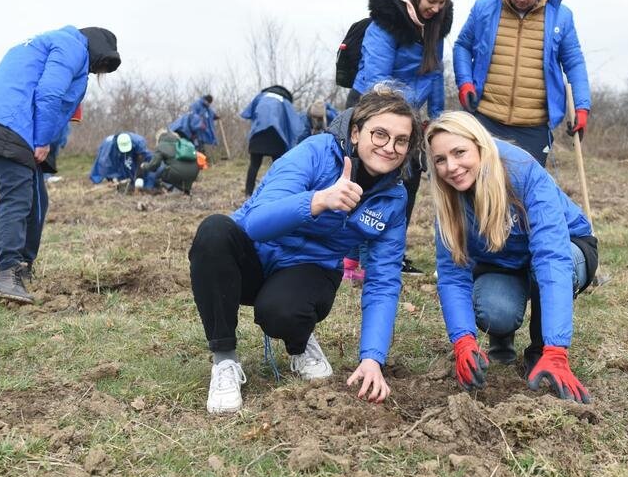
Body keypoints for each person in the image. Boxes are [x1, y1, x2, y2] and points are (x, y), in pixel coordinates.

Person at [189, 85, 421, 414]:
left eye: (401, 141)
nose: (389, 147)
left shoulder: (393, 199)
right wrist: (318, 200)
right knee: (213, 230)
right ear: (356, 133)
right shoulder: (313, 153)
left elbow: (383, 281)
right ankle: (224, 360)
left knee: (282, 312)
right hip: (253, 255)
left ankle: (300, 341)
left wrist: (372, 359)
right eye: (379, 134)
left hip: (309, 267)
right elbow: (257, 224)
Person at [426, 111, 598, 403]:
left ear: (480, 145)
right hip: (504, 260)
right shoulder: (449, 197)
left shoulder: (522, 170)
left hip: (568, 247)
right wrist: (463, 340)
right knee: (495, 310)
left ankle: (542, 352)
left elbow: (551, 258)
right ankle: (501, 337)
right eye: (440, 160)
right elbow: (453, 276)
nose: (451, 167)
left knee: (553, 267)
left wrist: (556, 348)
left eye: (459, 152)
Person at [0, 26, 121, 304]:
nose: (96, 73)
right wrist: (43, 140)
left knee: (37, 199)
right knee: (18, 198)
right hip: (10, 125)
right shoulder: (71, 46)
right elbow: (49, 93)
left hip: (1, 121)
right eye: (99, 67)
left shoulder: (47, 43)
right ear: (97, 47)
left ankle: (22, 268)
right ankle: (6, 273)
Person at [346, 0, 455, 276]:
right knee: (364, 180)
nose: (436, 8)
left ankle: (388, 255)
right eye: (431, 1)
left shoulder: (436, 25)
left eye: (442, 3)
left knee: (407, 180)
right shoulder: (386, 22)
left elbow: (434, 74)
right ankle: (352, 258)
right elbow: (377, 80)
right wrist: (399, 121)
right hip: (372, 105)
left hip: (407, 113)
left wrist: (438, 122)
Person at [453, 0, 591, 167]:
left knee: (522, 195)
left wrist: (582, 108)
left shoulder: (561, 17)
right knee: (478, 188)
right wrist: (465, 84)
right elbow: (462, 46)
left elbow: (574, 63)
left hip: (533, 126)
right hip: (484, 118)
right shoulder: (484, 7)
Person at [240, 84, 307, 196]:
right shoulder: (285, 101)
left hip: (258, 133)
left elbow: (248, 112)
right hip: (276, 136)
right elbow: (294, 123)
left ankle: (248, 193)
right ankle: (276, 192)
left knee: (254, 164)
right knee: (278, 166)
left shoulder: (261, 96)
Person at [140, 129, 201, 194]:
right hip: (194, 173)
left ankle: (171, 188)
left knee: (158, 170)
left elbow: (153, 166)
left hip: (178, 173)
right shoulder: (183, 143)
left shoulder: (161, 146)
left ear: (159, 138)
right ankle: (184, 189)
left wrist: (144, 166)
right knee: (178, 166)